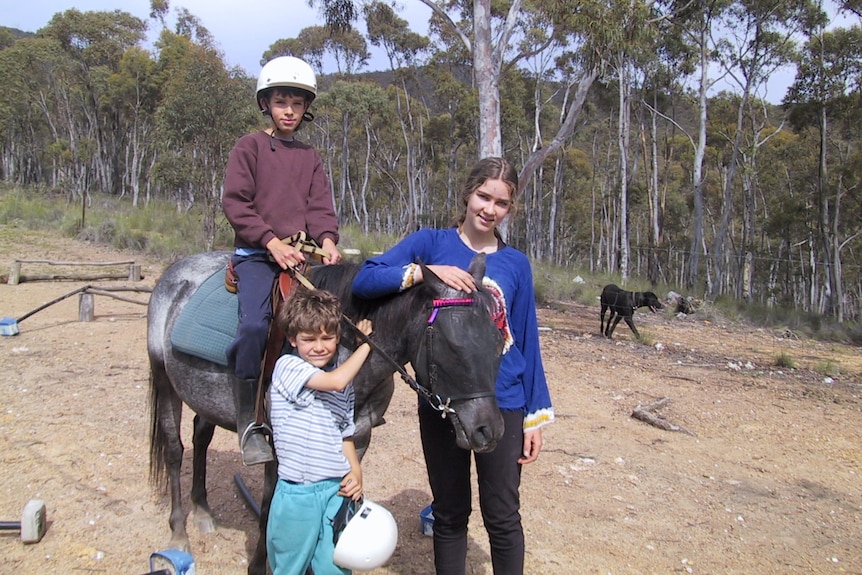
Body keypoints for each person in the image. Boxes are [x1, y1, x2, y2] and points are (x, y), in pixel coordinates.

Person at [351, 156, 555, 575]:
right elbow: (365, 279)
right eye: (483, 196)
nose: (489, 208)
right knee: (449, 513)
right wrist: (423, 272)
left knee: (502, 516)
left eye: (501, 203)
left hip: (504, 401)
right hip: (442, 402)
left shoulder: (515, 264)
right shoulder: (431, 243)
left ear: (508, 209)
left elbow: (527, 341)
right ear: (468, 194)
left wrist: (536, 415)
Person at [222, 55, 342, 465]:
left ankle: (328, 406)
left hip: (300, 258)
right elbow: (235, 203)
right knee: (256, 324)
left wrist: (326, 239)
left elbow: (320, 206)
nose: (289, 110)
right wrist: (270, 242)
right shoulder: (250, 147)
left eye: (296, 102)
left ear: (306, 107)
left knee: (330, 322)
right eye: (280, 101)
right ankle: (248, 422)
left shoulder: (309, 156)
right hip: (258, 255)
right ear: (266, 104)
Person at [267, 288, 372, 575]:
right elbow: (336, 381)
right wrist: (366, 345)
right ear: (292, 339)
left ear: (338, 338)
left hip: (335, 489)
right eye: (309, 339)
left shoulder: (344, 383)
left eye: (327, 338)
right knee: (290, 567)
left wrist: (355, 471)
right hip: (298, 492)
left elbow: (345, 432)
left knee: (335, 566)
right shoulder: (288, 367)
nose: (319, 347)